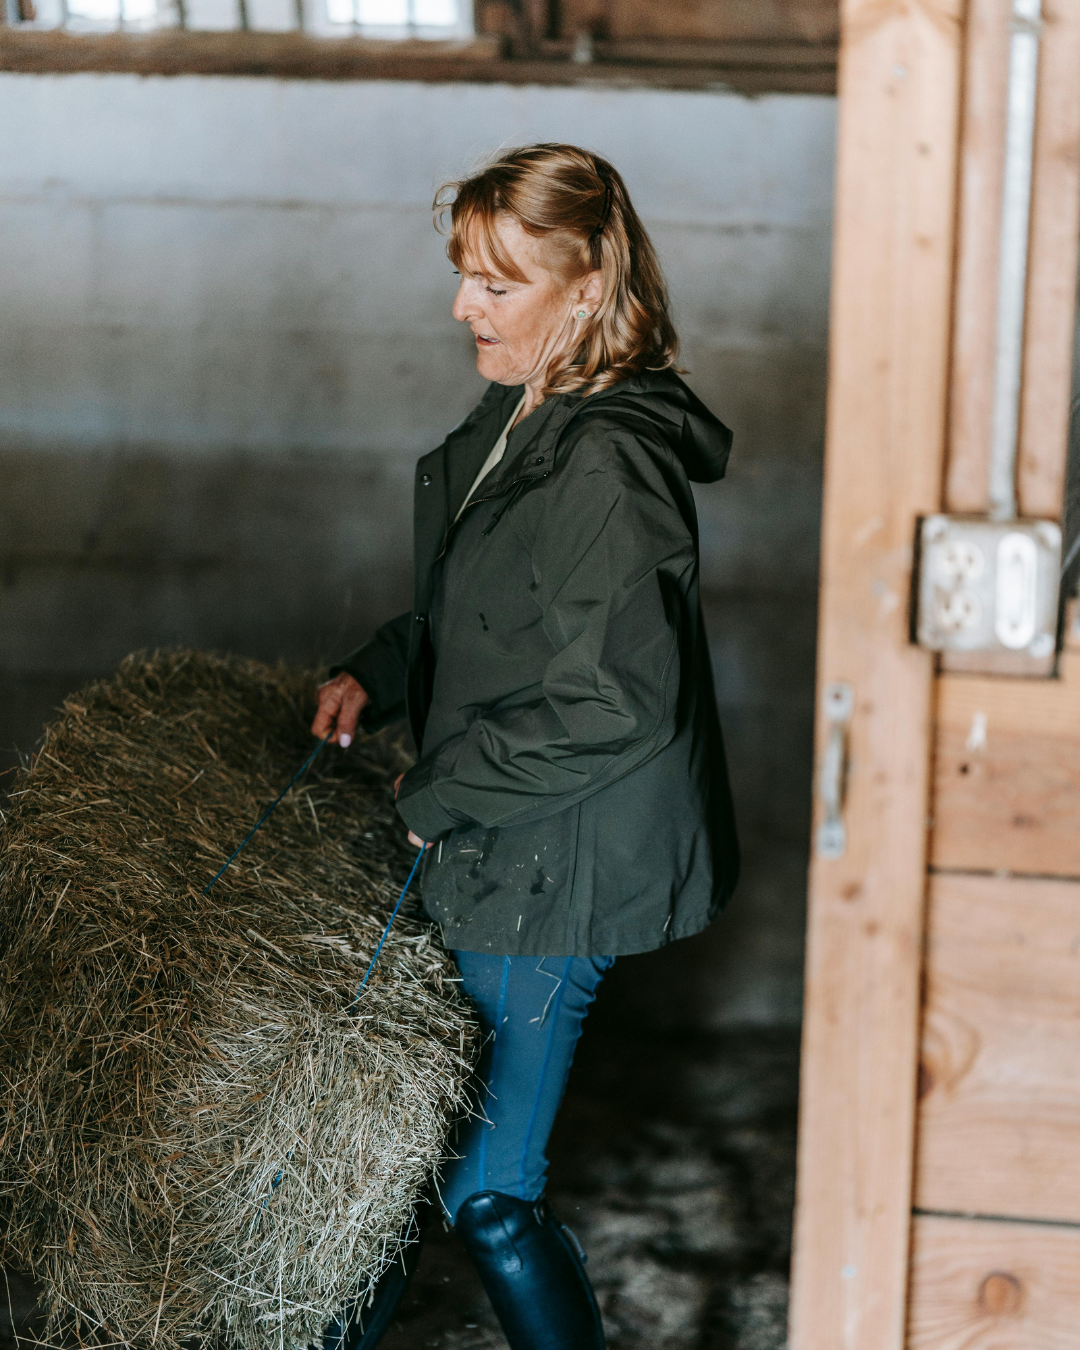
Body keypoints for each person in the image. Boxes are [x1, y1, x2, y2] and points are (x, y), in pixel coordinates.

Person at [312, 142, 739, 1350]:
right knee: (407, 1171)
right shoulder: (525, 411)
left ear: (589, 289)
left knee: (488, 1196)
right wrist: (379, 671)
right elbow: (483, 607)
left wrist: (431, 792)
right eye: (465, 275)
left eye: (498, 284)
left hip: (557, 868)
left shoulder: (607, 458)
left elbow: (616, 701)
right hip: (512, 839)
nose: (463, 307)